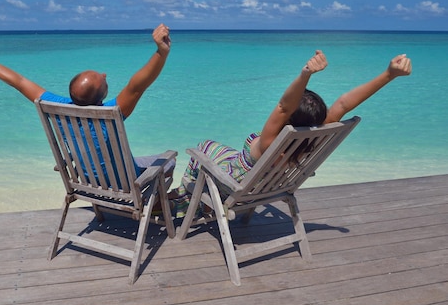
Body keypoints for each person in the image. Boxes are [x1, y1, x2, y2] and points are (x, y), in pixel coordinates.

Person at [170, 50, 412, 217]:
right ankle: (189, 199)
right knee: (216, 149)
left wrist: (305, 73)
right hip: (264, 185)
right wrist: (389, 75)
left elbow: (283, 106)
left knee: (201, 148)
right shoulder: (311, 138)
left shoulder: (270, 143)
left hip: (234, 181)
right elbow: (343, 105)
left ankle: (184, 202)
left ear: (288, 120)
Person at [0, 23, 174, 180]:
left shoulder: (58, 109)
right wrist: (161, 53)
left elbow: (19, 81)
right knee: (169, 160)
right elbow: (137, 85)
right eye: (103, 78)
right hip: (125, 183)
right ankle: (156, 205)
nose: (105, 74)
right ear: (101, 97)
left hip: (90, 182)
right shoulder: (111, 112)